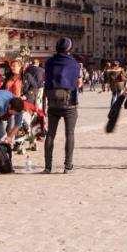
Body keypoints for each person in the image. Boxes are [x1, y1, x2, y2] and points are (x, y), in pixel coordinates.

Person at [43, 36, 82, 173]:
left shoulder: (49, 62)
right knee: (69, 134)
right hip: (69, 103)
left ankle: (48, 166)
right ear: (69, 48)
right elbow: (78, 83)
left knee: (50, 134)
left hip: (52, 103)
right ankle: (68, 166)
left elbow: (47, 80)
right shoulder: (74, 63)